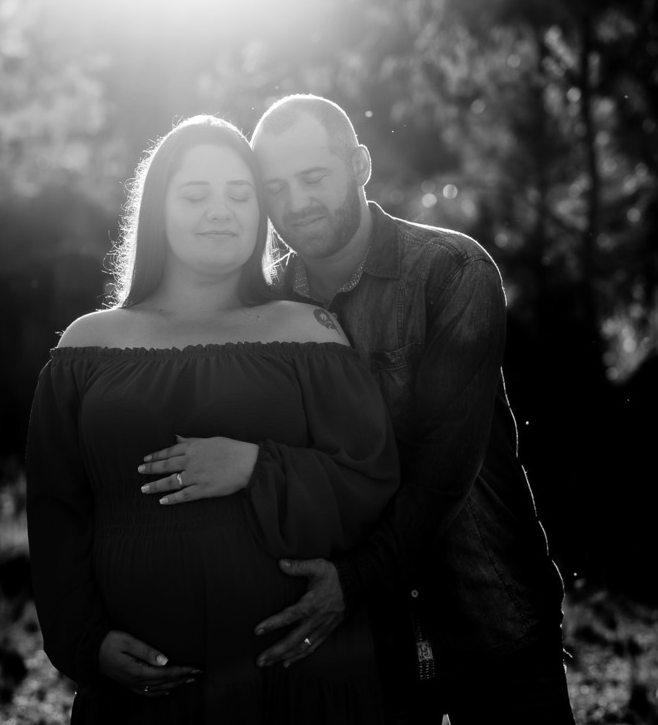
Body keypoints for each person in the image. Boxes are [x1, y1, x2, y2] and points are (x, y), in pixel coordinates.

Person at [164, 95, 573, 723]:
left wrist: (349, 583)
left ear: (359, 164)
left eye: (314, 177)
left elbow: (440, 473)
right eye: (274, 187)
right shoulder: (265, 308)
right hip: (361, 656)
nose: (296, 204)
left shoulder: (452, 271)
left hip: (492, 627)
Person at [24, 114, 400, 724]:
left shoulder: (307, 331)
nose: (220, 211)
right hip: (145, 690)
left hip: (295, 678)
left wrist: (256, 465)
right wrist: (85, 641)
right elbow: (55, 509)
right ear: (158, 213)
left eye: (240, 194)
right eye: (196, 195)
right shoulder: (86, 346)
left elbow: (371, 478)